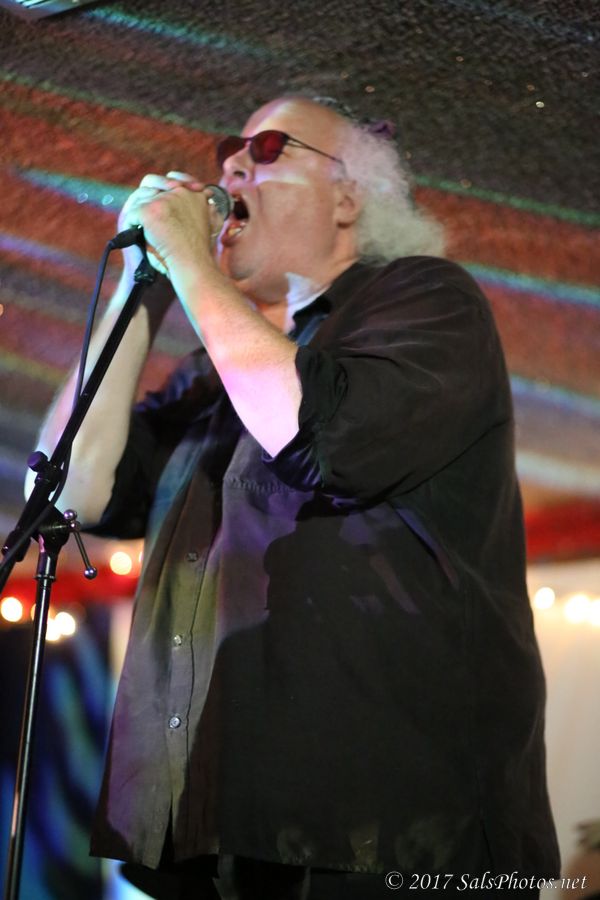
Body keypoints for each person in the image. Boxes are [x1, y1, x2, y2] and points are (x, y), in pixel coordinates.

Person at [30, 96, 560, 898]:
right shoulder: (213, 377)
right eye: (228, 149)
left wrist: (192, 264)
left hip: (387, 838)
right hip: (207, 830)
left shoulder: (426, 301)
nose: (232, 165)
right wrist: (142, 287)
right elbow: (69, 490)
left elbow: (316, 435)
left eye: (270, 147)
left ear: (349, 198)